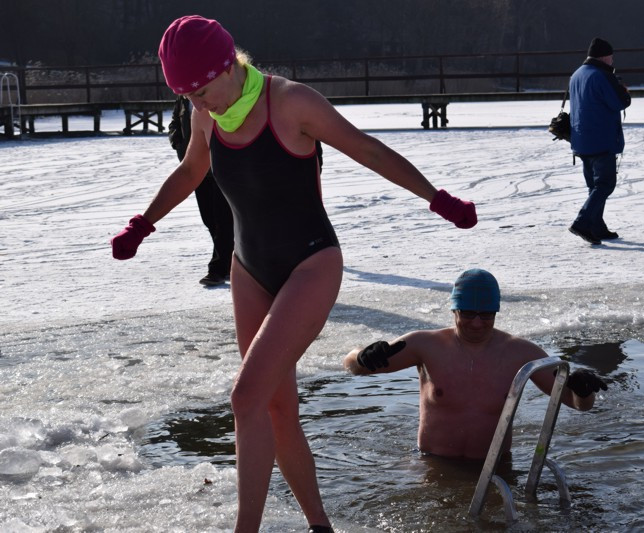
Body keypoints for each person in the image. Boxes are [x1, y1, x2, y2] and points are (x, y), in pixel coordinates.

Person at [110, 15, 477, 533]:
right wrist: (142, 223)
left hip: (311, 263)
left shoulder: (290, 103)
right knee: (275, 407)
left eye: (202, 90)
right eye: (186, 95)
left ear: (228, 65)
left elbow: (367, 149)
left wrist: (437, 199)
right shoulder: (205, 115)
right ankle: (320, 524)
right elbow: (194, 169)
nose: (198, 104)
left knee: (244, 398)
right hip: (249, 267)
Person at [343, 269, 606, 460]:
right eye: (468, 314)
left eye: (486, 315)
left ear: (496, 312)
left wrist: (584, 391)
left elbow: (577, 404)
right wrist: (362, 355)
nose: (477, 323)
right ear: (454, 310)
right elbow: (353, 366)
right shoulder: (425, 345)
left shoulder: (521, 353)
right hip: (433, 463)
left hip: (494, 466)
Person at [568, 37, 631, 246]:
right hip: (601, 137)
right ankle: (583, 222)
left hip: (581, 138)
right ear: (605, 56)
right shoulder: (602, 76)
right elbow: (619, 103)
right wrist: (623, 90)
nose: (612, 61)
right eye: (611, 57)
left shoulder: (577, 74)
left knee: (594, 185)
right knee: (605, 184)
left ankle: (597, 225)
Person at [168, 95, 234, 286]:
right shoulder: (183, 98)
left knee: (224, 219)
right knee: (209, 218)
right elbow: (175, 122)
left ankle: (218, 268)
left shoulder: (215, 93)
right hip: (197, 169)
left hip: (222, 167)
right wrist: (178, 143)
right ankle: (231, 260)